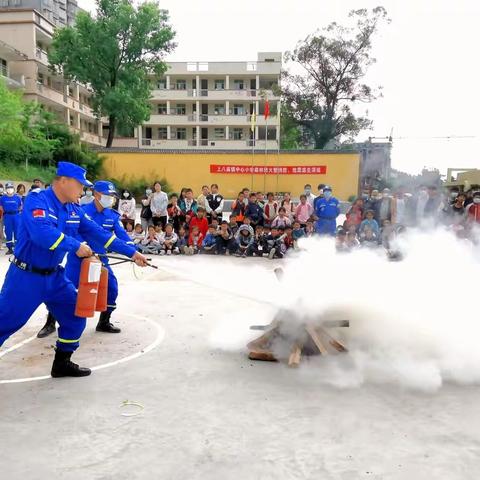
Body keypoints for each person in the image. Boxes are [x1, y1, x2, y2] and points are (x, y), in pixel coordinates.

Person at [1, 163, 147, 377]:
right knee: (6, 321)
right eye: (80, 185)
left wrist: (132, 254)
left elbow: (99, 234)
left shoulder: (73, 209)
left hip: (54, 277)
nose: (82, 191)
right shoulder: (37, 199)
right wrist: (76, 246)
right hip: (26, 277)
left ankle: (62, 363)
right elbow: (42, 234)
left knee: (76, 316)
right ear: (63, 181)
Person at [37, 180, 141, 338]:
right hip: (78, 260)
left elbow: (121, 235)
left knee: (111, 289)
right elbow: (72, 232)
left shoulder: (112, 215)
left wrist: (133, 252)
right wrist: (83, 246)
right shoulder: (81, 211)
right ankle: (50, 322)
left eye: (113, 196)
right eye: (108, 195)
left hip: (101, 260)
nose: (111, 199)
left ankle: (104, 322)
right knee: (63, 289)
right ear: (97, 194)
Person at [0, 182, 22, 255]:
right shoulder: (2, 198)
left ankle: (17, 248)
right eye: (8, 188)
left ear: (13, 189)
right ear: (6, 189)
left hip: (16, 216)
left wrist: (17, 212)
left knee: (17, 231)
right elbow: (1, 207)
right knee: (8, 232)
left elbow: (21, 206)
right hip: (7, 216)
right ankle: (9, 248)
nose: (10, 189)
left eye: (11, 188)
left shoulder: (17, 197)